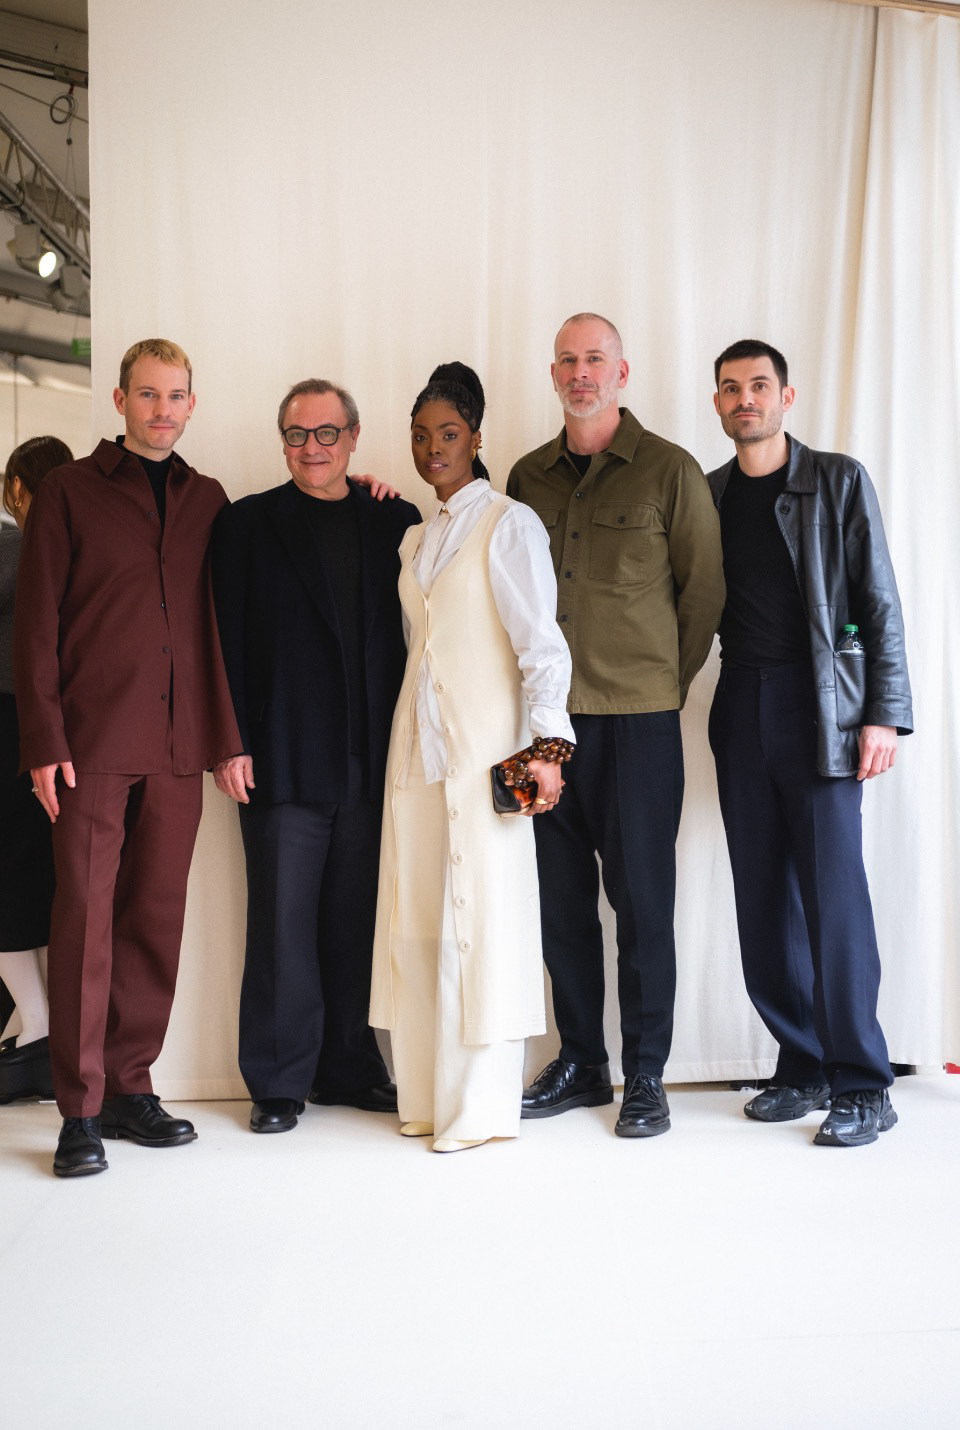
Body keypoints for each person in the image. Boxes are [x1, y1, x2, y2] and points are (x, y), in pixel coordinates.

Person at [13, 339, 241, 1177]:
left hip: (180, 747)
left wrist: (225, 739)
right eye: (147, 395)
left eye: (176, 396)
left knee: (154, 919)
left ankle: (129, 1086)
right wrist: (44, 740)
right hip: (91, 746)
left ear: (191, 404)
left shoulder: (208, 499)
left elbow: (221, 626)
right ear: (119, 401)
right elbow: (37, 623)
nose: (162, 410)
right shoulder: (69, 492)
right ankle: (78, 1110)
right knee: (84, 919)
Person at [507, 313, 725, 1137]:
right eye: (567, 360)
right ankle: (582, 1064)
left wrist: (660, 684)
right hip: (547, 729)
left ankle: (646, 1074)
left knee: (642, 906)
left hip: (638, 727)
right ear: (553, 373)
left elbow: (703, 594)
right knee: (560, 905)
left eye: (595, 359)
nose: (581, 373)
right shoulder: (527, 477)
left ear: (622, 372)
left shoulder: (670, 470)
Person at [706, 338, 912, 1147]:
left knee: (834, 899)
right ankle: (803, 1064)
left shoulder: (836, 480)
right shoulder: (710, 493)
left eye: (759, 385)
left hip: (822, 705)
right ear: (717, 403)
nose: (745, 399)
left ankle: (863, 1082)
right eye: (731, 389)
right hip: (740, 702)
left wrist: (879, 711)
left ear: (785, 397)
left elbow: (871, 601)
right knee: (762, 902)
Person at [370, 362, 574, 1153]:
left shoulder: (509, 525)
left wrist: (547, 750)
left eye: (448, 433)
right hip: (417, 756)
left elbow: (541, 648)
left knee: (481, 920)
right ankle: (427, 1099)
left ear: (478, 437)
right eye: (420, 435)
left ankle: (479, 1110)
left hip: (488, 753)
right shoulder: (415, 539)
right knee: (422, 919)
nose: (433, 448)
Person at [211, 380, 420, 1134]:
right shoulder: (245, 524)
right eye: (298, 435)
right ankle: (278, 1080)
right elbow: (223, 642)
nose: (313, 448)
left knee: (354, 924)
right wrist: (228, 741)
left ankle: (348, 1066)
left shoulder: (395, 519)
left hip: (370, 758)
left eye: (327, 433)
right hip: (280, 757)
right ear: (284, 442)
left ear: (354, 437)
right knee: (281, 926)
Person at [0, 437, 72, 1105]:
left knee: (14, 882)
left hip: (10, 723)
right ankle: (40, 1030)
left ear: (19, 487)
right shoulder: (81, 545)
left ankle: (39, 1028)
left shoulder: (16, 546)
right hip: (61, 726)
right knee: (41, 879)